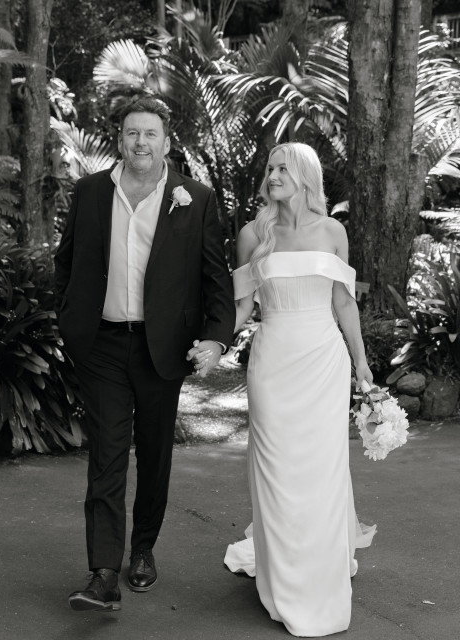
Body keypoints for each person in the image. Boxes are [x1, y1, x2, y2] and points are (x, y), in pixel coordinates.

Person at [54, 96, 235, 612]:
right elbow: (66, 262)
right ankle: (103, 573)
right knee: (106, 455)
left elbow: (215, 277)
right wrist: (69, 319)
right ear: (120, 139)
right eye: (132, 132)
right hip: (103, 345)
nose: (140, 142)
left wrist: (216, 338)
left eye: (150, 133)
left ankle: (143, 550)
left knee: (155, 455)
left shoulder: (194, 198)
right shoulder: (91, 192)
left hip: (163, 348)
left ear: (166, 142)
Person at [218, 143, 376, 636]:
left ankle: (321, 573)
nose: (273, 175)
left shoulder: (333, 232)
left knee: (322, 470)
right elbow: (243, 307)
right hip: (272, 361)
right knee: (276, 469)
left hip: (323, 361)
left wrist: (362, 365)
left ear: (306, 176)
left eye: (283, 168)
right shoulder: (252, 234)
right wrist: (212, 343)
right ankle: (283, 580)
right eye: (270, 168)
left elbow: (344, 303)